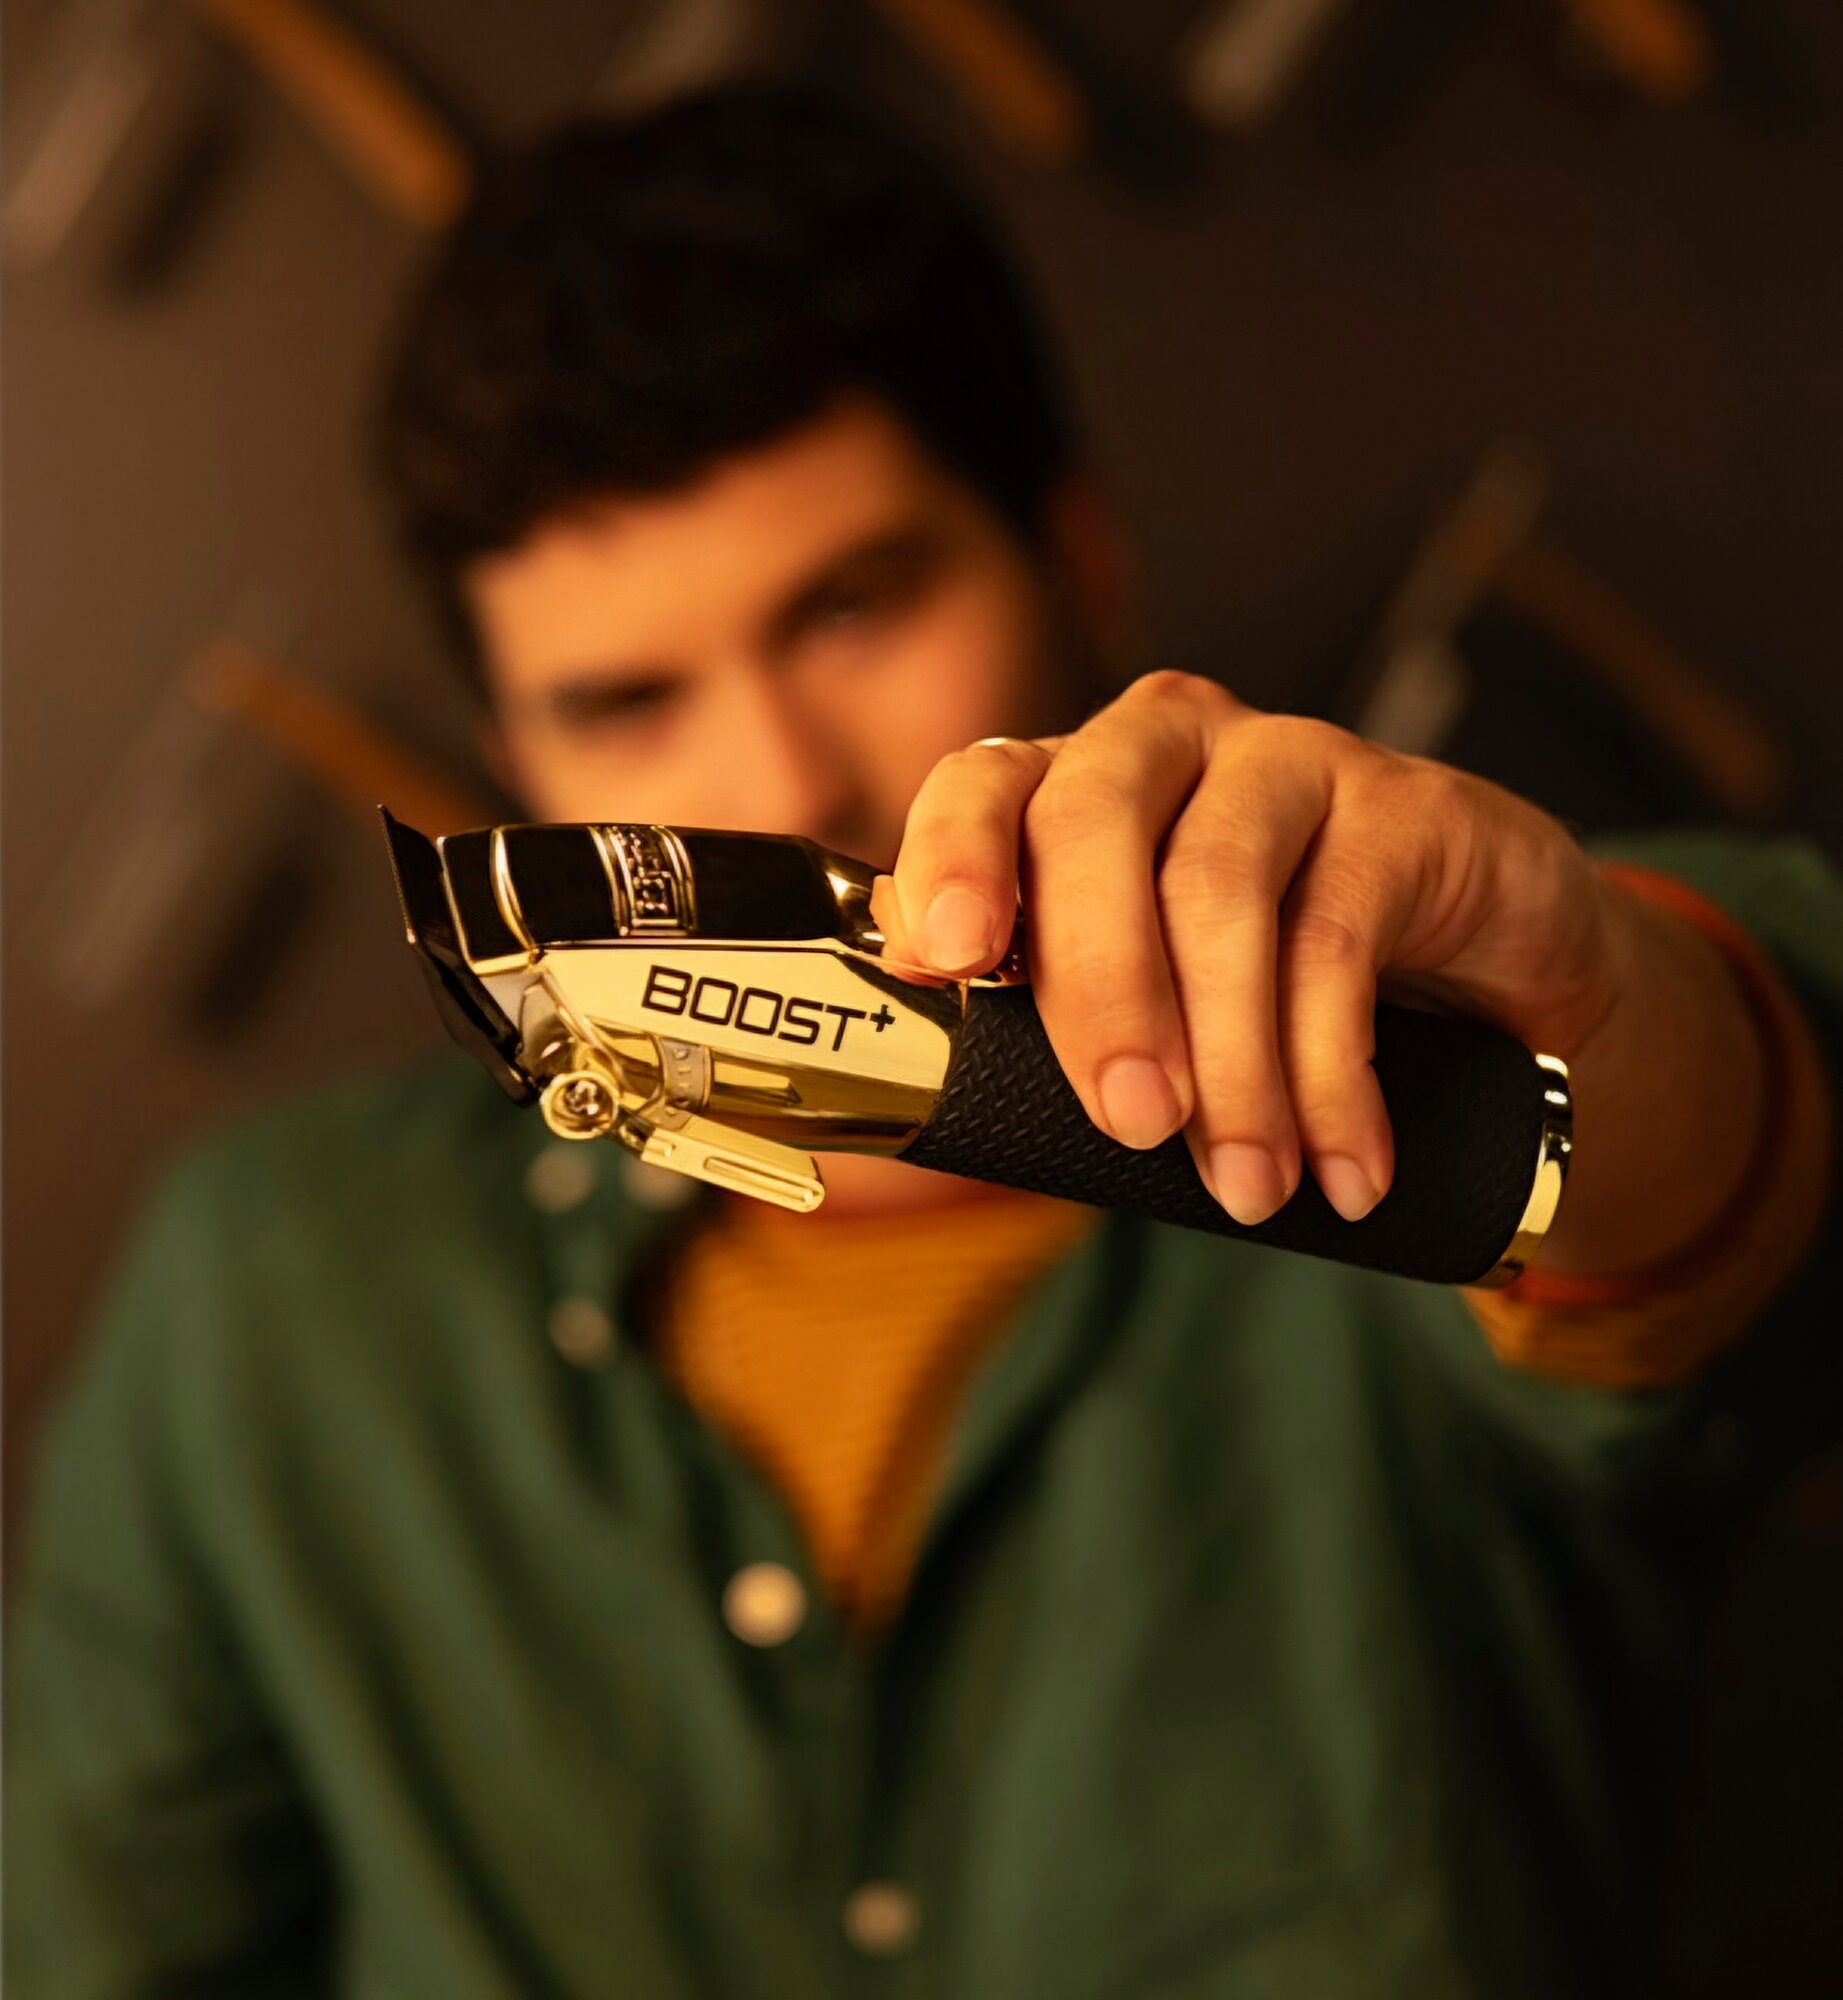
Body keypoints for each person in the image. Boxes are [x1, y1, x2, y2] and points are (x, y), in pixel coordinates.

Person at [8, 86, 1840, 2000]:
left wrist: (1594, 1003)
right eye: (625, 703)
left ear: (1076, 552)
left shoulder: (1406, 1127)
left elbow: (1734, 1174)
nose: (780, 779)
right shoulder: (268, 1298)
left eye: (855, 608)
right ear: (510, 761)